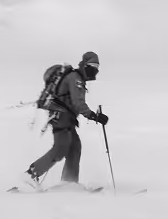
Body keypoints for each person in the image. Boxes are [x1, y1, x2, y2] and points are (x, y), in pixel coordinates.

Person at [24, 51, 109, 189]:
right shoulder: (75, 78)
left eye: (97, 66)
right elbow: (78, 103)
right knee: (61, 148)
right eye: (92, 65)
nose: (95, 69)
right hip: (61, 117)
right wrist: (94, 116)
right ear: (85, 65)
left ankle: (69, 182)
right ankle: (30, 176)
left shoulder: (77, 78)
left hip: (66, 118)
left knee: (74, 147)